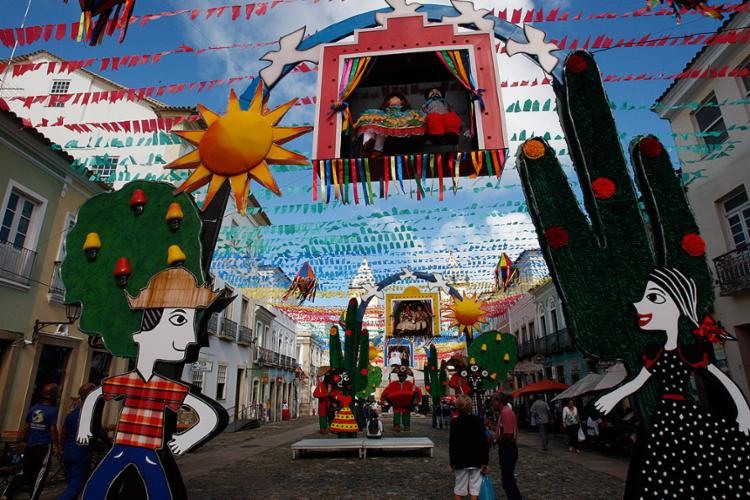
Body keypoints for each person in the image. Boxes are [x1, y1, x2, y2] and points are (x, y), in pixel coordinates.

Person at [595, 267, 750, 498]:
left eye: (653, 298)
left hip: (684, 414)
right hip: (665, 417)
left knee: (698, 460)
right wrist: (613, 395)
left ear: (679, 305)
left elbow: (721, 380)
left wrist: (744, 412)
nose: (640, 306)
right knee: (665, 465)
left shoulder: (689, 353)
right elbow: (638, 381)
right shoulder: (655, 353)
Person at [76, 268, 221, 500]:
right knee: (96, 489)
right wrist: (85, 427)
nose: (192, 338)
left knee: (159, 492)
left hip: (148, 452)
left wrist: (188, 438)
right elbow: (95, 396)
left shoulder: (165, 386)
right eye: (179, 319)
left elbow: (211, 416)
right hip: (121, 448)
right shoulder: (129, 381)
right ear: (144, 327)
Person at [2, 383, 59, 500]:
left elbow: (27, 427)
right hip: (43, 445)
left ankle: (7, 494)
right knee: (40, 474)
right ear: (54, 395)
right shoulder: (52, 411)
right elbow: (53, 429)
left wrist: (26, 441)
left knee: (24, 472)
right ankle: (33, 497)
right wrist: (56, 445)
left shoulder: (34, 408)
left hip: (31, 445)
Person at [354, 92, 426, 158]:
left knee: (383, 126)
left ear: (402, 101)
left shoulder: (409, 113)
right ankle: (368, 143)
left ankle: (377, 149)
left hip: (400, 133)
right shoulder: (381, 113)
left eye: (397, 97)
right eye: (392, 98)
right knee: (373, 120)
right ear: (388, 102)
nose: (394, 98)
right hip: (385, 123)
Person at [58, 383, 97, 500]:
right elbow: (97, 432)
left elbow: (63, 433)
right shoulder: (90, 415)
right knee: (77, 483)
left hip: (68, 452)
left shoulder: (71, 414)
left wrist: (61, 448)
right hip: (81, 453)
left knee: (71, 483)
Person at [449, 395, 489, 500]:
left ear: (457, 407)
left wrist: (452, 462)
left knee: (459, 489)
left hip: (460, 460)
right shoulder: (478, 421)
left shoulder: (455, 422)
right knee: (475, 490)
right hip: (477, 460)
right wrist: (485, 462)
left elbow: (453, 444)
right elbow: (484, 442)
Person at [490, 393, 521, 500]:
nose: (491, 403)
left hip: (508, 448)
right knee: (507, 479)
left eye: (493, 400)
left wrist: (494, 440)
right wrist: (492, 427)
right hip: (507, 448)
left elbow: (508, 434)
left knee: (508, 481)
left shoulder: (506, 413)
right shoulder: (504, 412)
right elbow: (502, 430)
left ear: (498, 401)